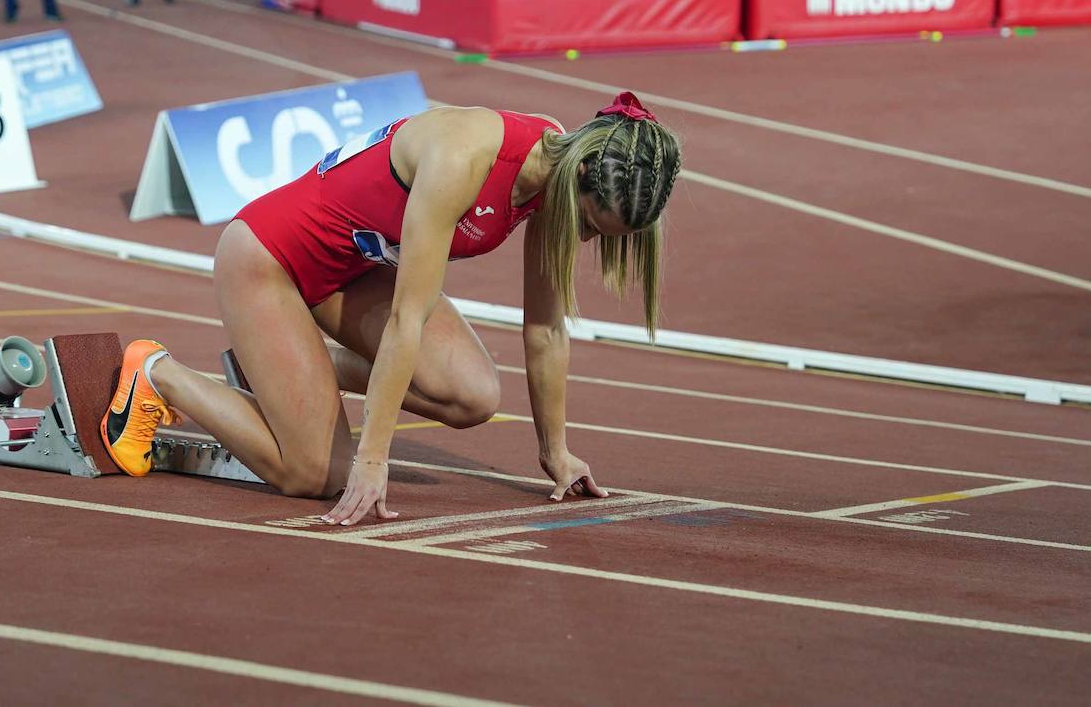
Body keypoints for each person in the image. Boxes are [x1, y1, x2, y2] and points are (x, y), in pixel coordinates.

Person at [98, 94, 681, 526]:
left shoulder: (559, 159)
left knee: (473, 395)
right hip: (271, 258)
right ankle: (159, 373)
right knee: (314, 476)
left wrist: (554, 452)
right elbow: (408, 319)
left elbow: (547, 329)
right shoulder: (466, 158)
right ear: (582, 174)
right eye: (592, 227)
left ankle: (290, 370)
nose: (585, 242)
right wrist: (371, 459)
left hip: (354, 272)